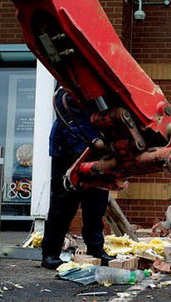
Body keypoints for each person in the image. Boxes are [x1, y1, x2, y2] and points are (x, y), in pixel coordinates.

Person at [41, 86, 113, 269]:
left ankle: (96, 250)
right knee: (62, 206)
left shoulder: (100, 91)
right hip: (67, 152)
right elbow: (70, 119)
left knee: (96, 205)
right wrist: (94, 142)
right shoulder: (68, 91)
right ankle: (50, 254)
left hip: (96, 152)